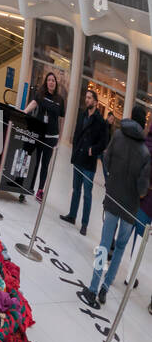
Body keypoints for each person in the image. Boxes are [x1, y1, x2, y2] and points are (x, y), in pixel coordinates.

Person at [80, 104, 149, 308]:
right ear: (143, 123)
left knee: (104, 245)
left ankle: (93, 287)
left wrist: (112, 181)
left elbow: (106, 161)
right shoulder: (145, 153)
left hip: (113, 199)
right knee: (119, 249)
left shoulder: (118, 135)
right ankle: (105, 288)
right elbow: (143, 188)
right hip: (130, 208)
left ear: (130, 118)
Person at [60, 88, 108, 235]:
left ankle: (85, 224)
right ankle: (72, 216)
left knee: (87, 194)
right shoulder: (82, 114)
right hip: (79, 157)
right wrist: (75, 149)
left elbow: (104, 142)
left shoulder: (100, 121)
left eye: (89, 98)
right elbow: (76, 134)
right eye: (86, 97)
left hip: (89, 162)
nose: (86, 100)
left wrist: (93, 150)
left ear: (95, 101)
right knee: (76, 189)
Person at [24, 71, 65, 200]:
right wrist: (24, 112)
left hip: (52, 137)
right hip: (39, 134)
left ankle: (40, 190)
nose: (51, 82)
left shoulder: (60, 99)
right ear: (46, 82)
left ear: (56, 83)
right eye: (49, 80)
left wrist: (61, 136)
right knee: (35, 162)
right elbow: (33, 104)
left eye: (53, 80)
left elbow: (61, 119)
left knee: (45, 164)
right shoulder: (40, 94)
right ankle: (28, 187)